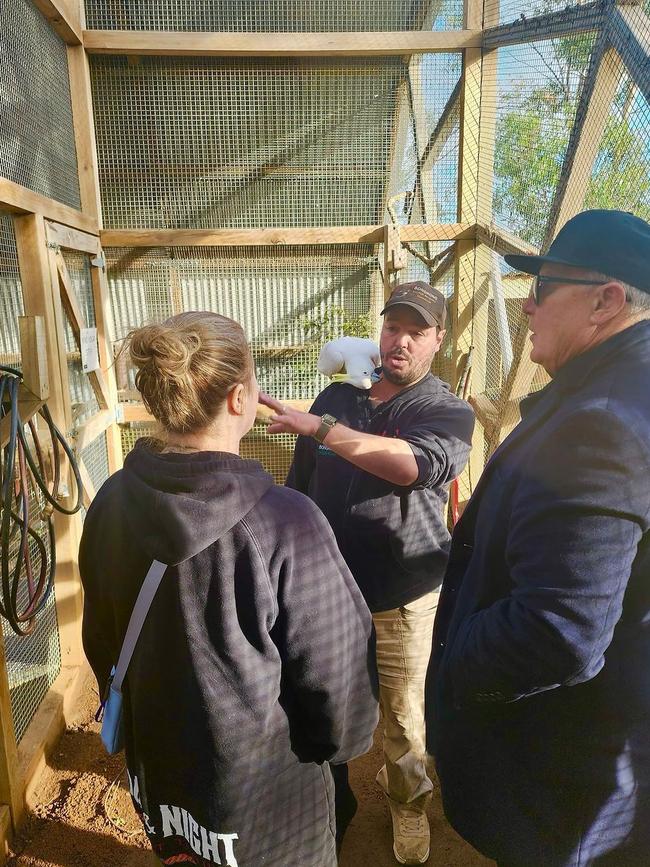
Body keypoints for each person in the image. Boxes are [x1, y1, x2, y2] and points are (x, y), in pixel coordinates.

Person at [79, 311, 378, 867]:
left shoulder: (112, 499)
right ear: (240, 399)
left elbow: (101, 640)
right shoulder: (287, 522)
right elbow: (344, 699)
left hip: (162, 782)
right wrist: (333, 748)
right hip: (268, 807)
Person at [426, 209, 650, 866]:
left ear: (605, 301)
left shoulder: (603, 421)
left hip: (565, 778)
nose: (528, 307)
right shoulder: (616, 386)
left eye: (544, 289)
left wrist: (455, 670)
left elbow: (560, 631)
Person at [261, 282, 475, 864]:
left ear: (437, 341)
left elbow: (418, 467)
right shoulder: (339, 395)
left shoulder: (445, 410)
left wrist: (320, 428)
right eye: (391, 328)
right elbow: (300, 485)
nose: (399, 341)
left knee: (403, 716)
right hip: (328, 591)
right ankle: (328, 800)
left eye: (416, 332)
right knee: (317, 697)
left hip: (401, 591)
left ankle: (408, 809)